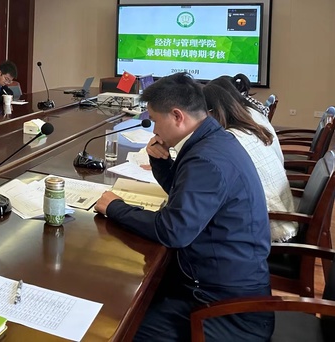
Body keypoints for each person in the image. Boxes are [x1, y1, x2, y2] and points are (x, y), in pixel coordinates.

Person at [95, 73, 274, 341]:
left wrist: (116, 207)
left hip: (226, 310)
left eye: (155, 121)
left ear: (177, 116)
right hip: (217, 285)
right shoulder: (211, 140)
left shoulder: (206, 159)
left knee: (117, 329)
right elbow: (186, 197)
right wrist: (161, 162)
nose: (154, 131)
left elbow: (173, 231)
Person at [204, 83, 297, 242]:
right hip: (282, 214)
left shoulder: (230, 140)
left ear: (212, 112)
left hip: (270, 228)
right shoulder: (247, 129)